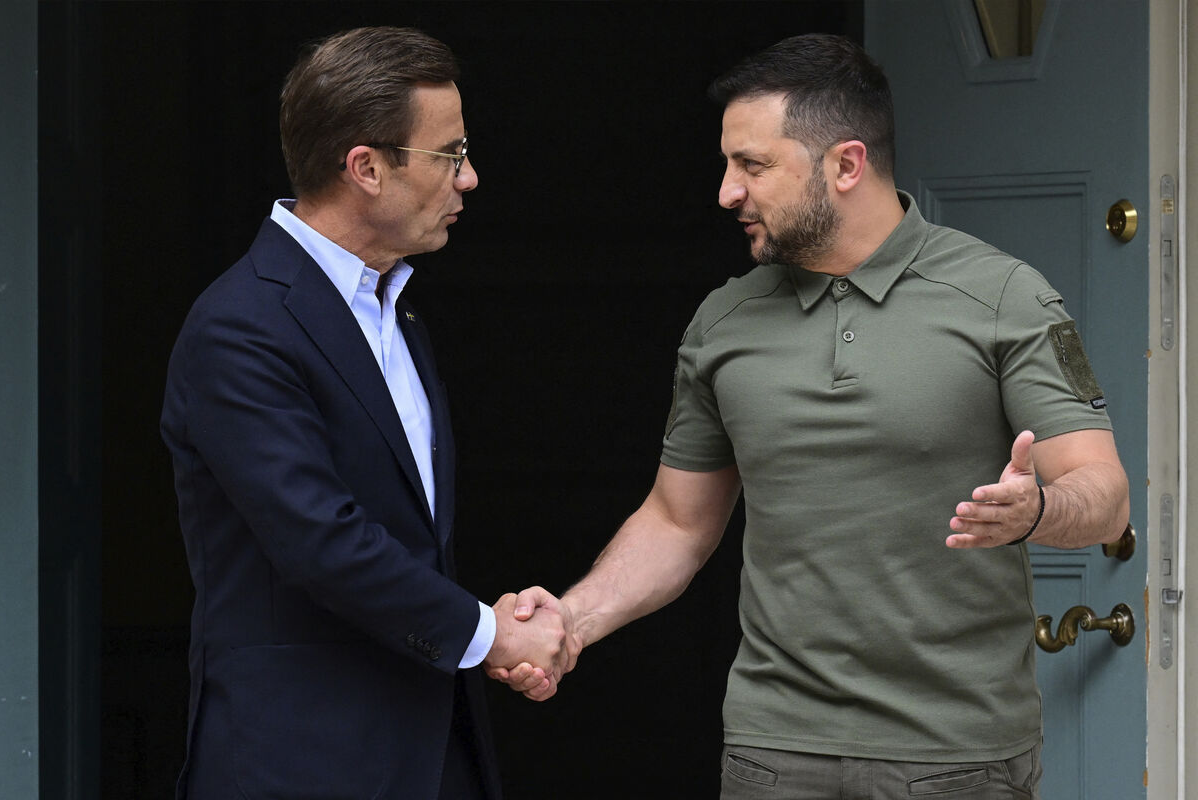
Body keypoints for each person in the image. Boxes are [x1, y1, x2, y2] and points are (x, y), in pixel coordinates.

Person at [493, 33, 1129, 799]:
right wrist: (571, 620)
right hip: (773, 754)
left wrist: (1037, 512)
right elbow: (677, 523)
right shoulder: (723, 321)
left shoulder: (1004, 297)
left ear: (846, 165)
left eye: (753, 165)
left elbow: (1105, 497)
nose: (727, 192)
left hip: (957, 757)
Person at [160, 26, 565, 800]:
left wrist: (486, 629)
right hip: (301, 763)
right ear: (366, 168)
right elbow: (321, 541)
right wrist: (490, 633)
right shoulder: (240, 327)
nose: (470, 177)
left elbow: (410, 537)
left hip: (432, 752)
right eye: (450, 154)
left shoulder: (394, 310)